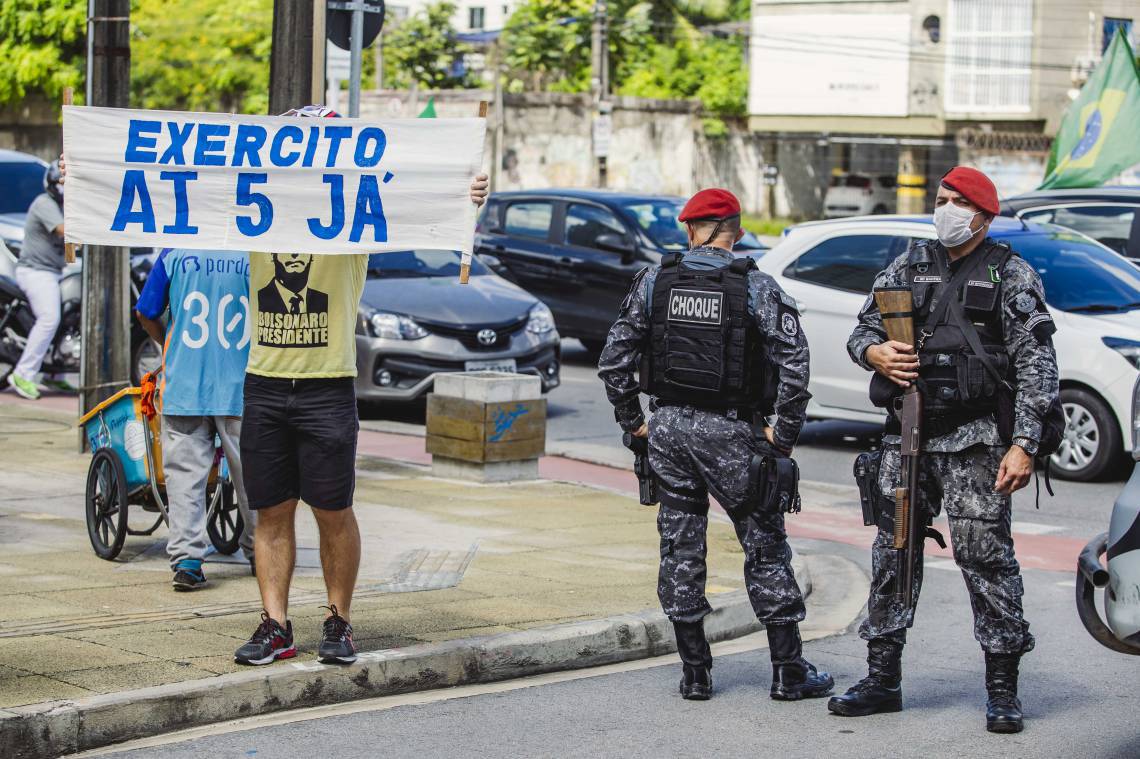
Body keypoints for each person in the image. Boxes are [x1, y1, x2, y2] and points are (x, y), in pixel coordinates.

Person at [234, 104, 491, 666]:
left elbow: (423, 203)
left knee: (333, 510)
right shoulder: (251, 209)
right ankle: (275, 626)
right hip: (265, 383)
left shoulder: (354, 215)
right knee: (271, 513)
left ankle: (338, 620)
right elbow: (166, 189)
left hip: (327, 386)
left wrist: (465, 195)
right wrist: (83, 179)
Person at [828, 167, 1059, 733]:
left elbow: (1038, 368)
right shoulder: (908, 264)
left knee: (986, 560)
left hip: (976, 443)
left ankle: (1002, 689)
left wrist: (1025, 445)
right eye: (940, 199)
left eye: (957, 201)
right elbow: (862, 329)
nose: (945, 209)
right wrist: (874, 353)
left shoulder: (1012, 275)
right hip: (907, 440)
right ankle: (882, 680)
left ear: (982, 214)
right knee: (893, 557)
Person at [597, 187, 832, 702]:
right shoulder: (756, 287)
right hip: (735, 435)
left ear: (689, 229)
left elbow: (613, 360)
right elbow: (795, 363)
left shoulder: (654, 281)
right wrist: (783, 435)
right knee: (765, 547)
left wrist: (633, 422)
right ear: (738, 231)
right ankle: (788, 672)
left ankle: (695, 674)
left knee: (681, 549)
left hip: (670, 432)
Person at [135, 248, 257, 591]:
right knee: (253, 473)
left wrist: (170, 344)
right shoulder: (254, 251)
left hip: (185, 383)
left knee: (185, 477)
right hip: (241, 385)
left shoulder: (174, 252)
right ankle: (262, 552)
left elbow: (146, 311)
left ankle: (188, 560)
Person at [7, 160, 73, 400]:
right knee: (49, 318)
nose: (64, 188)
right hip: (36, 271)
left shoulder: (66, 205)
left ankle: (55, 375)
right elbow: (64, 230)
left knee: (69, 318)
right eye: (62, 183)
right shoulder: (45, 204)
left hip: (56, 271)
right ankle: (23, 373)